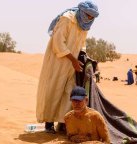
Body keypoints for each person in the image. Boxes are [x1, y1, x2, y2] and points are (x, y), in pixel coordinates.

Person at [36, 1, 99, 133]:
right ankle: (49, 124)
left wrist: (85, 59)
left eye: (92, 17)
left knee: (68, 93)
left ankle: (63, 122)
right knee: (54, 90)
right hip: (57, 62)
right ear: (82, 11)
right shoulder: (67, 18)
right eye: (88, 15)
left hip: (73, 64)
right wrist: (72, 60)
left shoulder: (84, 26)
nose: (89, 18)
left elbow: (82, 44)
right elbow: (58, 42)